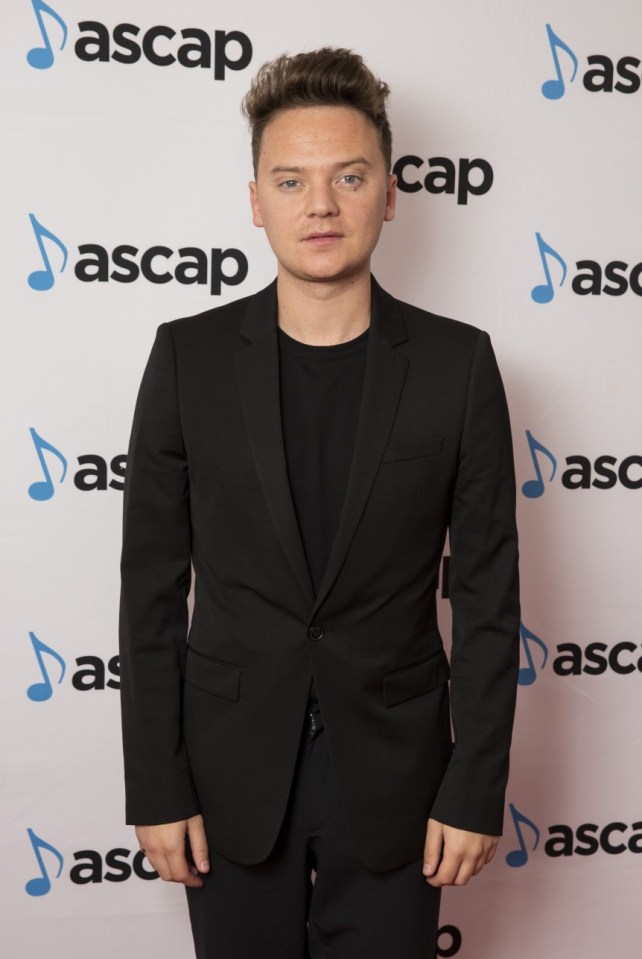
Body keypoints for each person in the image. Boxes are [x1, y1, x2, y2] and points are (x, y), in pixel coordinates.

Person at [119, 47, 520, 959]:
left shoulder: (459, 368)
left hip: (398, 780)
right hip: (224, 777)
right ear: (256, 200)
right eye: (291, 180)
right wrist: (156, 783)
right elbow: (148, 589)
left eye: (349, 176)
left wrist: (473, 783)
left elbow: (491, 599)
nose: (321, 205)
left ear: (389, 192)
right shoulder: (186, 358)